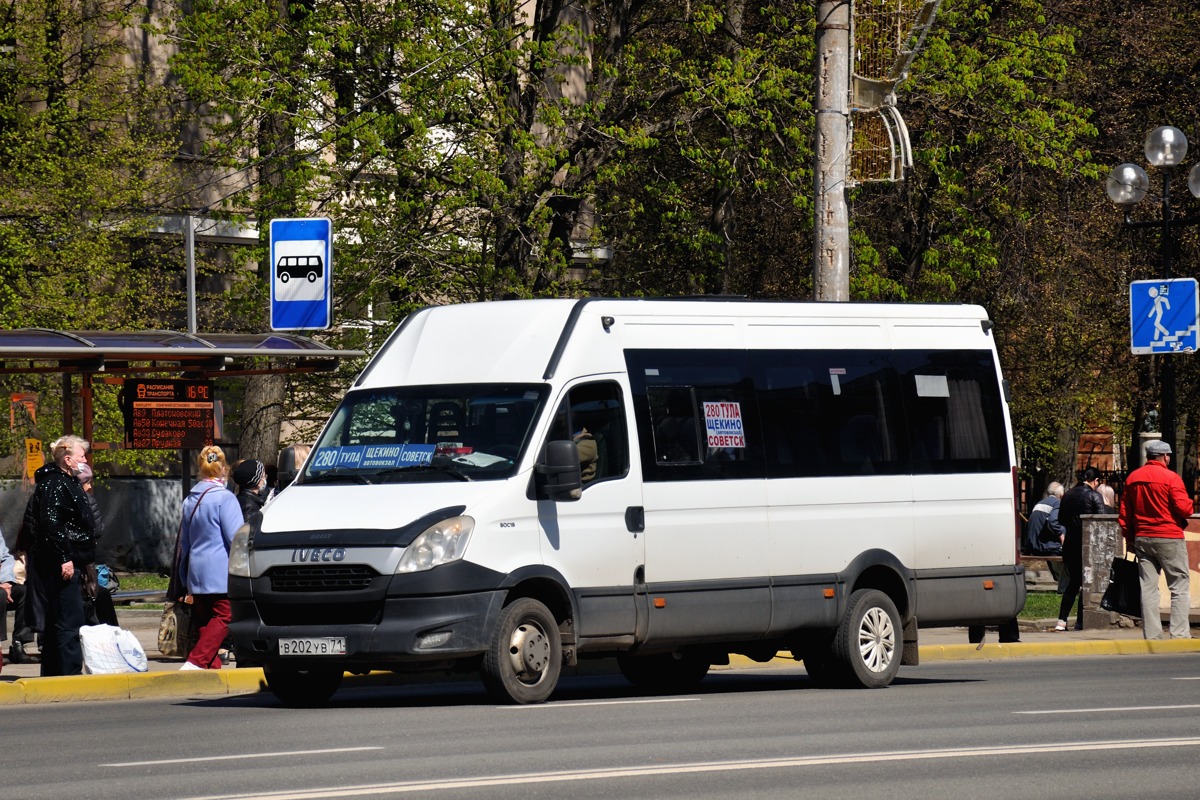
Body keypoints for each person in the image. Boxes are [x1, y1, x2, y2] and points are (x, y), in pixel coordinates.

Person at [24, 434, 96, 676]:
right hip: (62, 562)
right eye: (81, 456)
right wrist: (65, 556)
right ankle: (69, 672)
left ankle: (53, 673)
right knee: (69, 620)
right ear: (67, 459)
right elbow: (51, 522)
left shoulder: (66, 481)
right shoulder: (56, 483)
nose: (84, 459)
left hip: (65, 558)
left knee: (59, 620)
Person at [1119, 440, 1194, 640]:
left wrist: (1130, 538)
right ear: (1166, 457)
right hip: (1169, 537)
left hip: (1143, 537)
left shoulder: (1133, 478)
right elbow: (1185, 509)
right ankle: (1179, 634)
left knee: (1148, 588)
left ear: (1148, 456)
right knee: (1178, 586)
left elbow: (1125, 514)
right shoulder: (1171, 478)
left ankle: (1152, 635)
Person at [176, 445, 243, 670]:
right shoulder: (225, 499)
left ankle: (210, 666)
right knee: (226, 614)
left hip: (196, 569)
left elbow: (184, 542)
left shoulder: (190, 500)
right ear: (222, 469)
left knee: (205, 620)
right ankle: (196, 661)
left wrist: (183, 575)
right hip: (220, 570)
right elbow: (236, 538)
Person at [1055, 466, 1105, 632]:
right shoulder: (1094, 495)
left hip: (1070, 544)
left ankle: (1061, 621)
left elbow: (1061, 519)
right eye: (1098, 482)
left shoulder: (1068, 494)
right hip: (1088, 546)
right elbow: (1101, 521)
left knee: (1074, 582)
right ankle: (1080, 622)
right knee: (1088, 584)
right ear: (1095, 481)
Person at [76, 462, 118, 627]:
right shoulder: (86, 501)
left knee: (99, 595)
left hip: (78, 566)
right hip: (80, 566)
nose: (89, 487)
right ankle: (110, 637)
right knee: (97, 596)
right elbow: (97, 530)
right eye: (87, 483)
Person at [1024, 482, 1065, 556]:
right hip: (1047, 547)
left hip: (1033, 545)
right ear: (1061, 495)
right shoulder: (1057, 503)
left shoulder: (1039, 504)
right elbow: (1052, 520)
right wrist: (1061, 535)